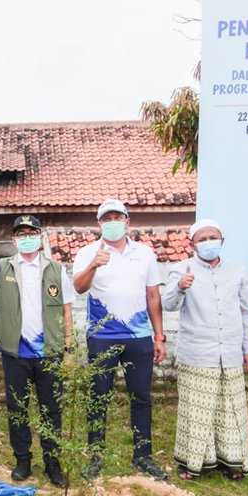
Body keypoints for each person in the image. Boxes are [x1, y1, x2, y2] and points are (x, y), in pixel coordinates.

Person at [0, 214, 74, 487]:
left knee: (52, 409)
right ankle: (23, 459)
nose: (26, 238)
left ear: (40, 237)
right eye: (21, 234)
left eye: (31, 233)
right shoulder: (3, 267)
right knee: (18, 408)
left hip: (49, 351)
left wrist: (69, 349)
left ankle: (52, 462)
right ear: (14, 240)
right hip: (16, 352)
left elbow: (67, 310)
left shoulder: (57, 270)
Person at [72, 199, 168, 480]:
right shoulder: (88, 252)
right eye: (106, 218)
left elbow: (153, 295)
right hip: (101, 337)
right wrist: (93, 265)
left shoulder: (145, 253)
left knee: (141, 397)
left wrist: (159, 336)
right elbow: (78, 288)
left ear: (128, 221)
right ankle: (96, 457)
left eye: (117, 217)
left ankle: (142, 456)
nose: (112, 222)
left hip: (139, 337)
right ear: (99, 223)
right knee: (98, 398)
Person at [163, 219, 248, 481]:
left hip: (230, 353)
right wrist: (181, 286)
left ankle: (232, 462)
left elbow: (247, 313)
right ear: (192, 244)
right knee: (197, 410)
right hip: (197, 352)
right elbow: (168, 304)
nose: (208, 242)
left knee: (231, 407)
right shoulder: (181, 269)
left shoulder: (237, 271)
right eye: (202, 239)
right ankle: (192, 464)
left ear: (222, 241)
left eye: (212, 237)